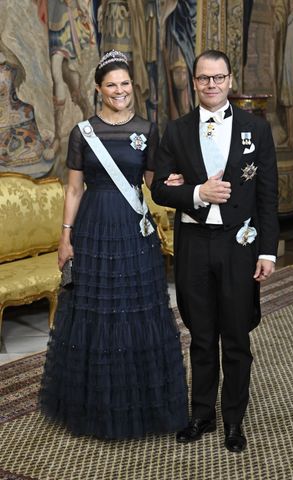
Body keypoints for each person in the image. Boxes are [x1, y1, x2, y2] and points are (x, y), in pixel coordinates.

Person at [39, 49, 188, 439]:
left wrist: (173, 183)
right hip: (92, 227)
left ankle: (142, 403)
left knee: (136, 310)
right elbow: (73, 189)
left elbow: (154, 181)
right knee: (95, 310)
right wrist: (65, 236)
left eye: (124, 84)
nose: (119, 90)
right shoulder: (82, 132)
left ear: (130, 87)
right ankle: (92, 404)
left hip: (133, 228)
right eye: (111, 85)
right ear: (99, 89)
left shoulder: (148, 128)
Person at [151, 49, 279, 452]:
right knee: (202, 335)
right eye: (204, 78)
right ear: (194, 82)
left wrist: (268, 252)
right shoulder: (175, 130)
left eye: (218, 77)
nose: (211, 84)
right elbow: (158, 189)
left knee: (236, 336)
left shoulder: (254, 129)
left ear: (229, 81)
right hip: (194, 246)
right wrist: (196, 192)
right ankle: (202, 414)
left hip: (239, 246)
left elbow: (268, 194)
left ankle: (234, 422)